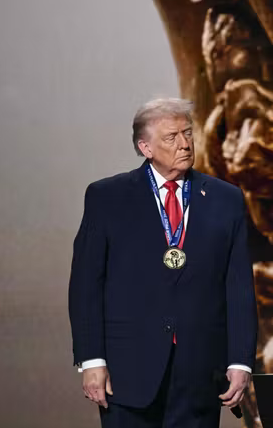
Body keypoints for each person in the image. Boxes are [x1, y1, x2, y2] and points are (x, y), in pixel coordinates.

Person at [68, 98, 258, 428]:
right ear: (146, 147)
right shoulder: (107, 197)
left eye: (188, 133)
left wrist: (241, 361)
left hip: (200, 373)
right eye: (171, 137)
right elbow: (86, 286)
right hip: (127, 371)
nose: (184, 144)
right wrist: (91, 359)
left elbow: (239, 287)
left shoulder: (226, 199)